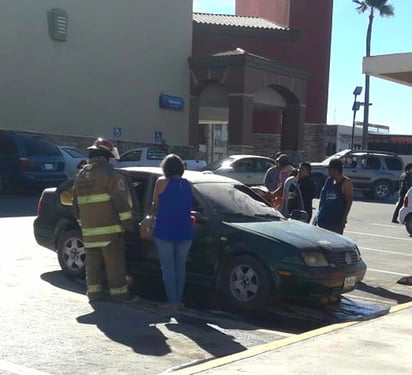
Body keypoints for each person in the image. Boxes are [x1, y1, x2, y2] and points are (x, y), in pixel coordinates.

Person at [72, 138, 137, 303]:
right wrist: (128, 225)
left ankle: (94, 293)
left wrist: (83, 225)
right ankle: (119, 294)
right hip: (110, 231)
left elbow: (75, 204)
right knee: (114, 265)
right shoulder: (110, 175)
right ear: (106, 156)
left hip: (88, 232)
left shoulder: (80, 176)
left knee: (92, 265)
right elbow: (121, 203)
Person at [152, 154, 194, 312]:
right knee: (180, 267)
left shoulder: (162, 182)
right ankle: (178, 300)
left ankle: (172, 301)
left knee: (168, 267)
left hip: (165, 229)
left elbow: (155, 205)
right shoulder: (187, 184)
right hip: (185, 230)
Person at [314, 159, 353, 234]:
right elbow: (323, 196)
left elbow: (349, 201)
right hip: (324, 219)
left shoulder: (346, 182)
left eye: (329, 169)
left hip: (336, 222)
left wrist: (344, 218)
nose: (328, 172)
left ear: (336, 170)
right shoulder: (329, 180)